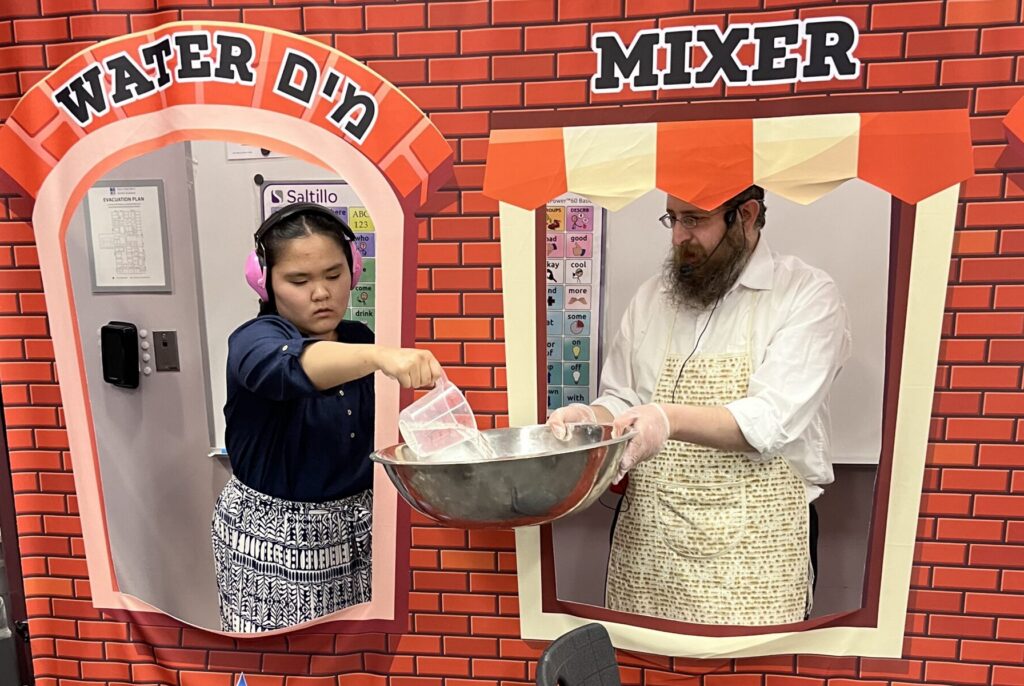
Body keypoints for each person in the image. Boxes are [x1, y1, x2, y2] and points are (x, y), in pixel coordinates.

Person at [548, 186, 851, 626]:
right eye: (672, 219)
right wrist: (589, 418)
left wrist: (666, 419)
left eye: (694, 220)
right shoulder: (652, 299)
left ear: (745, 215)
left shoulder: (805, 294)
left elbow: (768, 421)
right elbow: (622, 397)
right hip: (651, 544)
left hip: (756, 553)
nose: (677, 238)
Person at [211, 202, 441, 633]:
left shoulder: (361, 339)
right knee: (284, 669)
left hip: (360, 530)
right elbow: (287, 367)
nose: (321, 293)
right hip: (272, 542)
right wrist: (380, 357)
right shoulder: (253, 341)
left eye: (334, 276)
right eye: (299, 280)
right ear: (265, 284)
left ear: (353, 271)